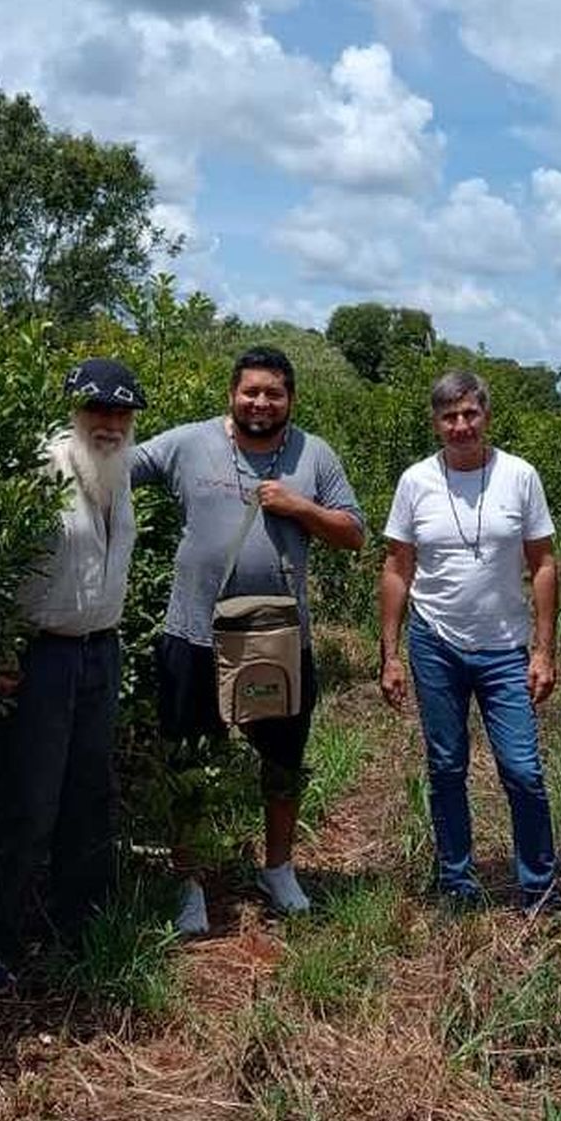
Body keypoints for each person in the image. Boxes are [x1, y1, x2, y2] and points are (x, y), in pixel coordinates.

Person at [131, 346, 364, 934]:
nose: (261, 402)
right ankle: (188, 884)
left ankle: (278, 869)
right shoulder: (187, 443)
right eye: (251, 391)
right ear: (231, 393)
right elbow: (117, 465)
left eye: (274, 393)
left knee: (282, 760)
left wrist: (299, 505)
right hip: (193, 634)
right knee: (188, 762)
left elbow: (353, 533)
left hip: (277, 638)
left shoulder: (315, 455)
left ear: (290, 399)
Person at [0, 357, 147, 991]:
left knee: (89, 798)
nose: (111, 422)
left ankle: (80, 927)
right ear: (75, 409)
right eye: (99, 409)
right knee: (25, 803)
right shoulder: (42, 465)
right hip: (39, 655)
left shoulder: (119, 473)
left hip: (100, 651)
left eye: (121, 412)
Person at [378, 369, 560, 912]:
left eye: (469, 414)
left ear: (486, 416)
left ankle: (539, 886)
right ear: (435, 423)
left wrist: (545, 649)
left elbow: (544, 564)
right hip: (435, 643)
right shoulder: (416, 482)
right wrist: (389, 655)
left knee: (522, 770)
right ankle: (456, 881)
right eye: (449, 416)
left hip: (506, 646)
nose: (460, 426)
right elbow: (396, 568)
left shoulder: (520, 476)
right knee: (446, 766)